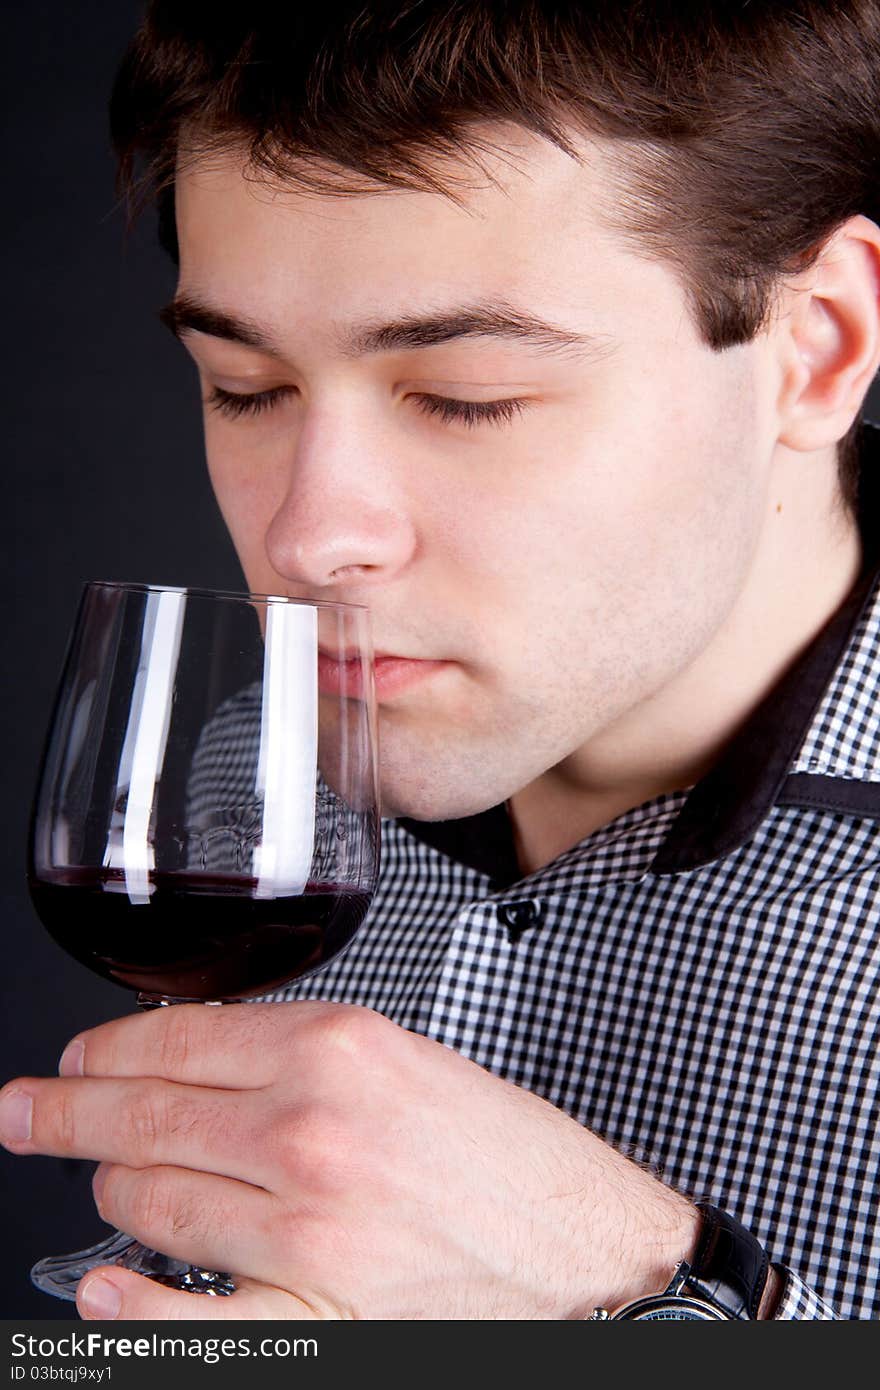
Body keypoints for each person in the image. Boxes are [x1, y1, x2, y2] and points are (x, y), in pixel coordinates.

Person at [2, 0, 880, 1320]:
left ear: (816, 352)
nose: (308, 536)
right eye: (242, 383)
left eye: (466, 396)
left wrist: (660, 1300)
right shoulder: (247, 792)